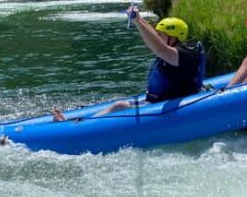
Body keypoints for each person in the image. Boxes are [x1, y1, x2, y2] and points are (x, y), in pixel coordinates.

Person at [52, 7, 206, 121]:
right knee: (118, 105)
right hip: (159, 100)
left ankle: (77, 128)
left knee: (118, 106)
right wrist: (138, 19)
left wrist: (138, 22)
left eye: (160, 35)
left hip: (174, 105)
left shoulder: (184, 55)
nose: (156, 37)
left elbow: (160, 49)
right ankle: (78, 121)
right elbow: (158, 43)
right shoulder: (173, 51)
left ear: (173, 38)